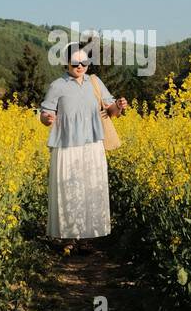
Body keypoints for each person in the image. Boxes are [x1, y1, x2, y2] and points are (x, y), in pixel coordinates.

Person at [38, 44, 128, 253]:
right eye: (75, 62)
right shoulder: (57, 85)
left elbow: (111, 111)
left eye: (84, 62)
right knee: (68, 189)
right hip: (66, 144)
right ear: (66, 63)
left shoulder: (95, 82)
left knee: (91, 189)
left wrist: (120, 106)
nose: (80, 66)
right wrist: (47, 118)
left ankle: (87, 239)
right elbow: (45, 114)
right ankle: (69, 239)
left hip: (93, 144)